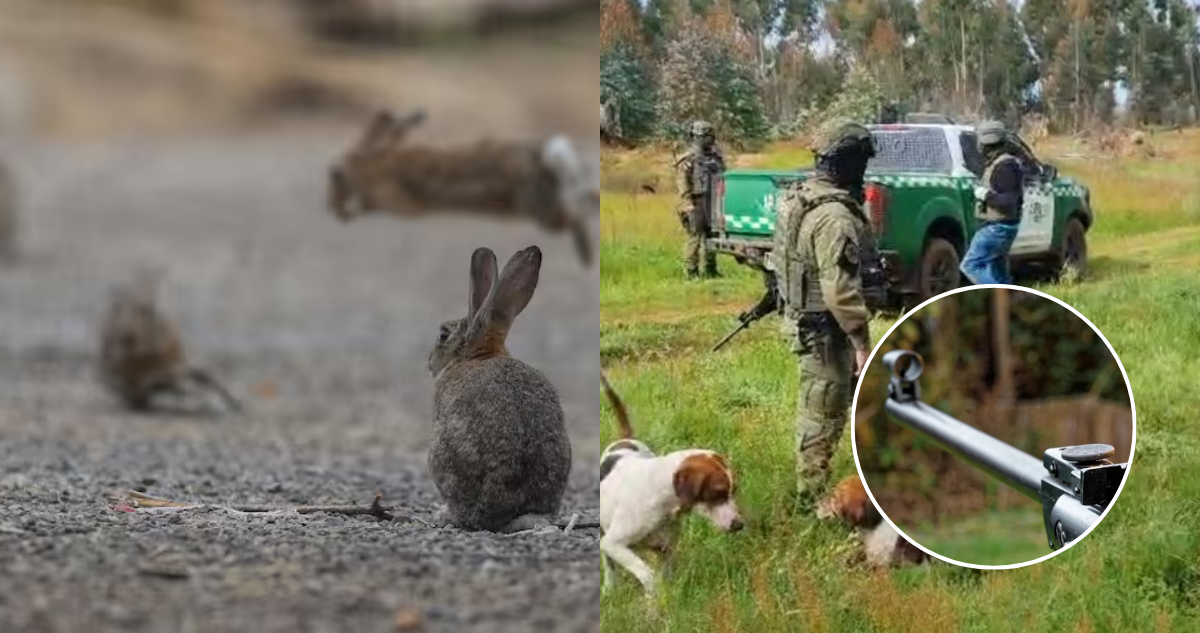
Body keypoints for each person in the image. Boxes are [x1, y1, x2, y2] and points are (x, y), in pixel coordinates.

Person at [772, 122, 881, 508]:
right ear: (851, 164)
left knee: (850, 404)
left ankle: (874, 479)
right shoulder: (834, 216)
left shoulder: (799, 198)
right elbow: (841, 290)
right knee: (822, 411)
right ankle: (810, 500)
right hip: (825, 332)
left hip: (809, 321)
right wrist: (861, 343)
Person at [960, 120, 1025, 285]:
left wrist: (985, 195)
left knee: (971, 265)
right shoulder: (1001, 163)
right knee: (998, 272)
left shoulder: (1005, 166)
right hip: (1002, 226)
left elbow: (1009, 201)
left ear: (987, 142)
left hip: (997, 228)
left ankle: (996, 297)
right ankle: (1009, 304)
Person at [674, 120, 726, 280]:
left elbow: (724, 176)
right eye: (707, 136)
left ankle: (711, 269)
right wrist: (688, 203)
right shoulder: (688, 159)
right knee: (695, 237)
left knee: (712, 236)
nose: (711, 140)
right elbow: (682, 182)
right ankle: (692, 271)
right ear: (697, 137)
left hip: (713, 200)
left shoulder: (716, 158)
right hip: (695, 201)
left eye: (711, 136)